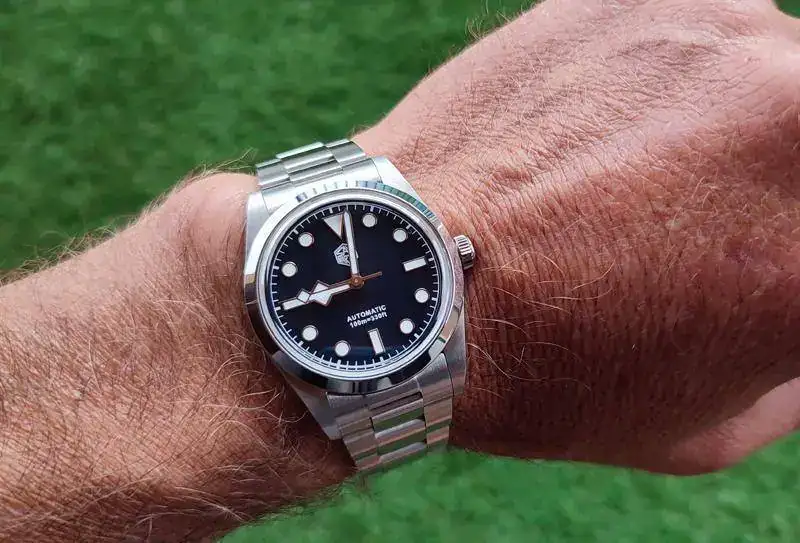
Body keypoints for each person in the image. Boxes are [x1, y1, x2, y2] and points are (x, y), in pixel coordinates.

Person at [2, 0, 799, 540]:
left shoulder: (412, 271)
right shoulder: (305, 310)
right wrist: (215, 341)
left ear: (455, 255)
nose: (356, 285)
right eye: (345, 282)